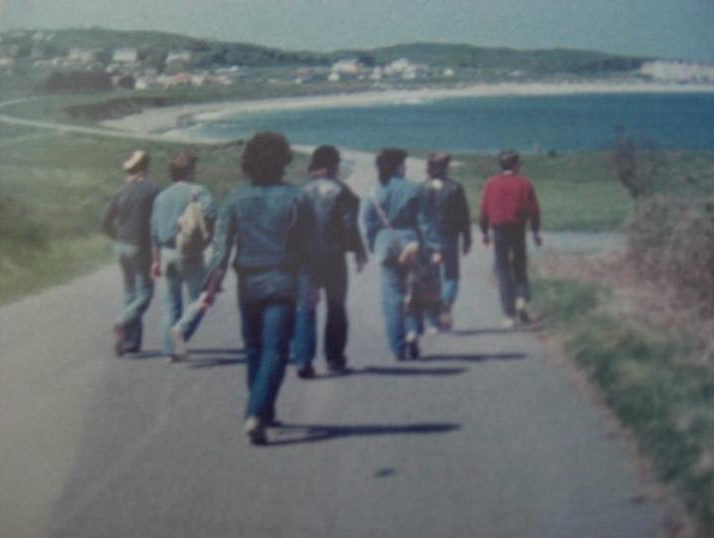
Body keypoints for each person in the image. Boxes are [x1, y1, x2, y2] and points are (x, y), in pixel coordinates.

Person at [200, 132, 314, 445]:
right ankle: (255, 411)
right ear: (284, 161)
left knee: (254, 349)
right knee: (276, 351)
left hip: (248, 285)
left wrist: (213, 281)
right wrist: (311, 285)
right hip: (283, 282)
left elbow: (221, 246)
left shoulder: (236, 198)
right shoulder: (297, 198)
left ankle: (264, 411)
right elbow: (308, 248)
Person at [293, 145, 368, 379]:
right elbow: (348, 226)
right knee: (335, 307)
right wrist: (357, 249)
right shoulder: (343, 191)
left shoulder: (299, 191)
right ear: (333, 165)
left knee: (305, 307)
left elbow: (292, 226)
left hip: (305, 257)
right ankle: (334, 358)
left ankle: (303, 360)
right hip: (333, 257)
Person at [362, 148, 440, 361]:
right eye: (404, 164)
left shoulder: (373, 192)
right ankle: (413, 329)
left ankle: (398, 346)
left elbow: (367, 224)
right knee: (414, 288)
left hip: (385, 246)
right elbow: (425, 222)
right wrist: (432, 248)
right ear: (399, 166)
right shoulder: (415, 189)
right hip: (412, 244)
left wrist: (373, 246)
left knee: (392, 297)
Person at [150, 150, 216, 362]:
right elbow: (211, 216)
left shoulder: (161, 196)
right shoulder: (199, 191)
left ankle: (170, 352)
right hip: (190, 252)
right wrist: (208, 242)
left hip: (167, 252)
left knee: (170, 302)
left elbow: (153, 230)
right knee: (201, 297)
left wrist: (155, 260)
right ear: (189, 171)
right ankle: (181, 330)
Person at [101, 150, 160, 356]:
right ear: (145, 167)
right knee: (145, 293)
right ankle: (123, 322)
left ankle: (131, 342)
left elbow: (104, 222)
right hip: (140, 246)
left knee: (131, 292)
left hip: (121, 246)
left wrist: (117, 237)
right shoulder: (153, 190)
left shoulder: (121, 191)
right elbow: (157, 223)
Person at [478, 149, 542, 327]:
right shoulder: (524, 184)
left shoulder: (492, 183)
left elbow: (484, 209)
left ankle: (509, 314)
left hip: (499, 229)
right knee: (520, 265)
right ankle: (521, 297)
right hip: (518, 229)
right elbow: (534, 210)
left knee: (503, 269)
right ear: (515, 165)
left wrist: (484, 231)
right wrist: (536, 232)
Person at [421, 152, 472, 332]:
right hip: (449, 236)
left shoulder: (421, 188)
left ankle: (433, 321)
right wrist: (467, 239)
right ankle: (445, 306)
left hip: (427, 238)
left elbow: (417, 216)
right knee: (452, 276)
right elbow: (464, 216)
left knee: (430, 280)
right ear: (446, 168)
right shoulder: (455, 188)